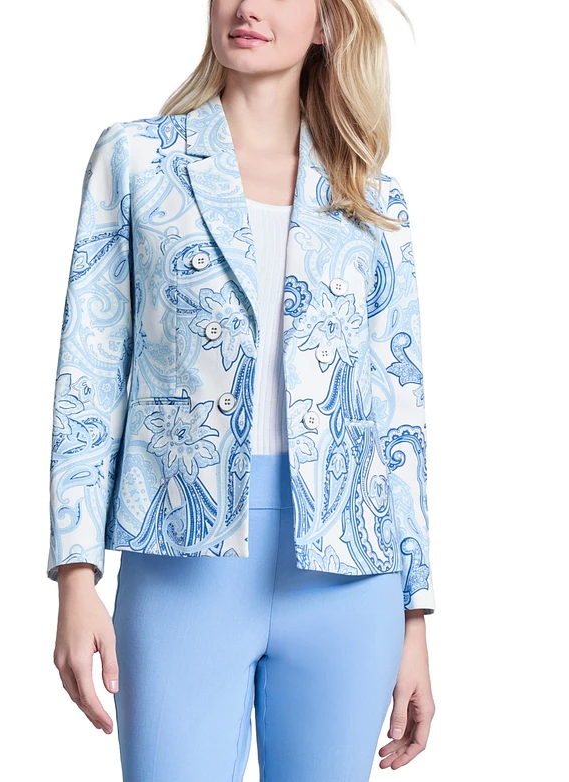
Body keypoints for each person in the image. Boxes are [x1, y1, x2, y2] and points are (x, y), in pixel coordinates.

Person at [48, 1, 436, 779]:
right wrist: (75, 573)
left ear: (325, 23)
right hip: (180, 566)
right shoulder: (137, 160)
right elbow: (88, 374)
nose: (248, 6)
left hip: (350, 581)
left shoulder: (371, 197)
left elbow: (399, 416)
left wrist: (415, 618)